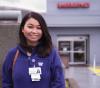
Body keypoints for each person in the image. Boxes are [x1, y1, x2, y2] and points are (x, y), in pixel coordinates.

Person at [2, 12, 65, 88]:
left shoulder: (51, 53)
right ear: (22, 29)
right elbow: (6, 83)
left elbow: (59, 83)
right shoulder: (12, 54)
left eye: (39, 28)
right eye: (30, 27)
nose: (34, 31)